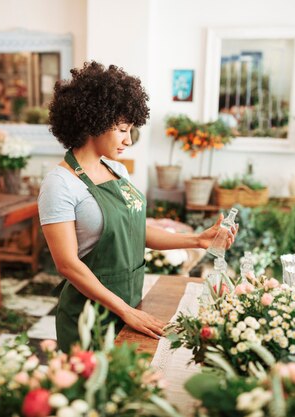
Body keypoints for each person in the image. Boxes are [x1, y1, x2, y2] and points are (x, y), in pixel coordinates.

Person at [38, 61, 238, 352]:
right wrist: (125, 311)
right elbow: (67, 264)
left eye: (130, 129)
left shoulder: (118, 171)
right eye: (122, 129)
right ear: (93, 121)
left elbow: (135, 231)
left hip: (131, 304)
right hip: (90, 318)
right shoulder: (60, 183)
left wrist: (197, 239)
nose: (128, 140)